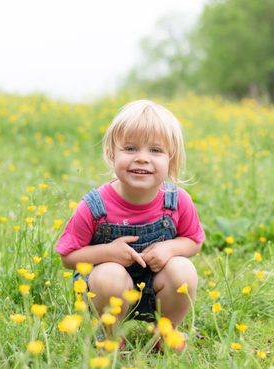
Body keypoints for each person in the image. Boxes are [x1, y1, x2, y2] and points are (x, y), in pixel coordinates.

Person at [55, 99, 205, 348]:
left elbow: (193, 241)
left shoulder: (176, 201)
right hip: (108, 289)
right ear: (111, 155)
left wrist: (169, 249)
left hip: (158, 287)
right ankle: (112, 337)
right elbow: (68, 257)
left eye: (155, 151)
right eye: (131, 148)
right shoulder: (95, 206)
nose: (142, 159)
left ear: (171, 159)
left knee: (183, 270)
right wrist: (108, 253)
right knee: (109, 273)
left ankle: (165, 332)